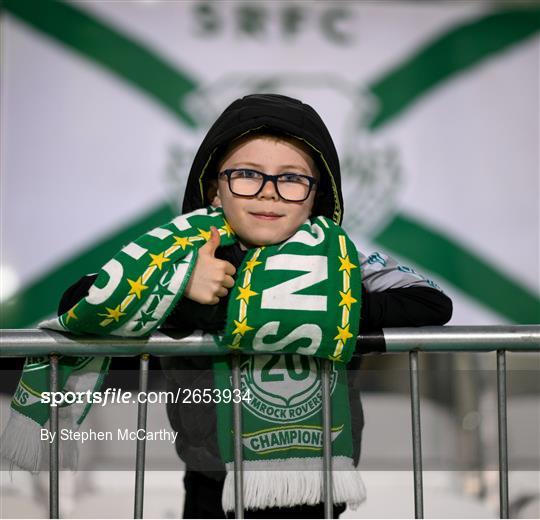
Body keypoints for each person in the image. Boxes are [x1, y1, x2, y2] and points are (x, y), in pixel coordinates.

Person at [58, 94, 452, 518]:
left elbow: (431, 303)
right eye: (247, 175)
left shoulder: (341, 261)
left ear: (317, 197)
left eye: (292, 179)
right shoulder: (180, 253)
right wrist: (180, 289)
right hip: (212, 479)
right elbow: (80, 300)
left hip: (316, 485)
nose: (269, 194)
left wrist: (330, 310)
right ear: (214, 189)